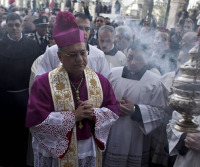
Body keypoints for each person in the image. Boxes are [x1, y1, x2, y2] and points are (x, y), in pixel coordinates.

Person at [26, 11, 120, 167]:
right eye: (73, 54)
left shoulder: (100, 81)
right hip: (57, 152)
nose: (80, 59)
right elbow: (37, 122)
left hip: (88, 148)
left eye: (83, 53)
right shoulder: (43, 83)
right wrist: (73, 117)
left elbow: (114, 109)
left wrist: (94, 114)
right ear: (60, 57)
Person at [104, 39, 166, 166]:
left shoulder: (155, 81)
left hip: (137, 133)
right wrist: (113, 106)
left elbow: (160, 112)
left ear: (147, 59)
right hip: (113, 129)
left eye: (138, 58)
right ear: (126, 55)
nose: (133, 62)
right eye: (130, 57)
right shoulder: (113, 74)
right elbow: (101, 99)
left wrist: (135, 110)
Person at [0, 13, 40, 166]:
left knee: (25, 135)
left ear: (22, 25)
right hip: (5, 100)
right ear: (6, 27)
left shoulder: (32, 44)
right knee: (7, 135)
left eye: (17, 24)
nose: (14, 28)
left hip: (26, 97)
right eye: (10, 25)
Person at [36, 13, 110, 78]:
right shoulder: (52, 52)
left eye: (87, 29)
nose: (84, 32)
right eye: (79, 28)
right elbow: (41, 79)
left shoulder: (99, 55)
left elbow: (104, 83)